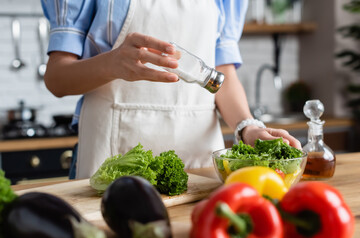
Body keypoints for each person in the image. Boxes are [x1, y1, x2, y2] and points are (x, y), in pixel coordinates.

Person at [41, 0, 301, 179]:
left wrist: (248, 127)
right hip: (112, 152)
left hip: (199, 155)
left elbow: (221, 74)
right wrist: (112, 64)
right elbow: (57, 78)